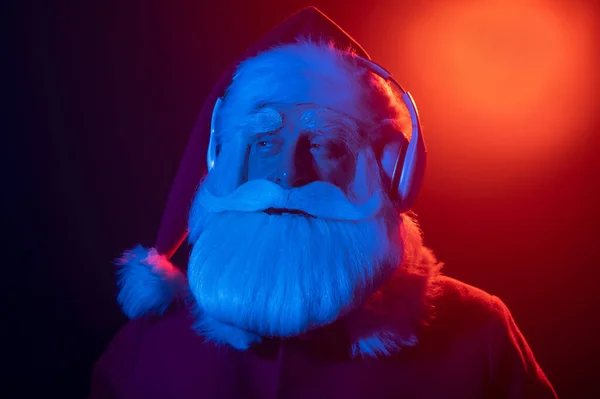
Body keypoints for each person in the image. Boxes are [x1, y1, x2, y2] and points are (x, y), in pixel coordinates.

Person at [89, 6, 557, 399]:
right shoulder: (149, 346)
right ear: (222, 162)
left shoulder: (478, 337)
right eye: (266, 142)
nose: (289, 173)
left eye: (325, 144)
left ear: (391, 173)